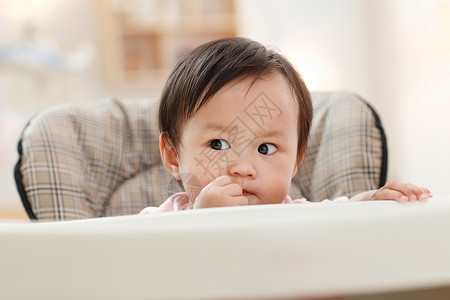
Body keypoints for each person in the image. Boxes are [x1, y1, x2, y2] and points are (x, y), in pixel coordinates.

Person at [140, 37, 431, 214]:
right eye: (218, 144)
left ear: (295, 161)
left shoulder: (297, 216)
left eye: (266, 148)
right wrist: (201, 222)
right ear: (173, 156)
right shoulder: (158, 222)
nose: (243, 168)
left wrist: (376, 200)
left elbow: (343, 214)